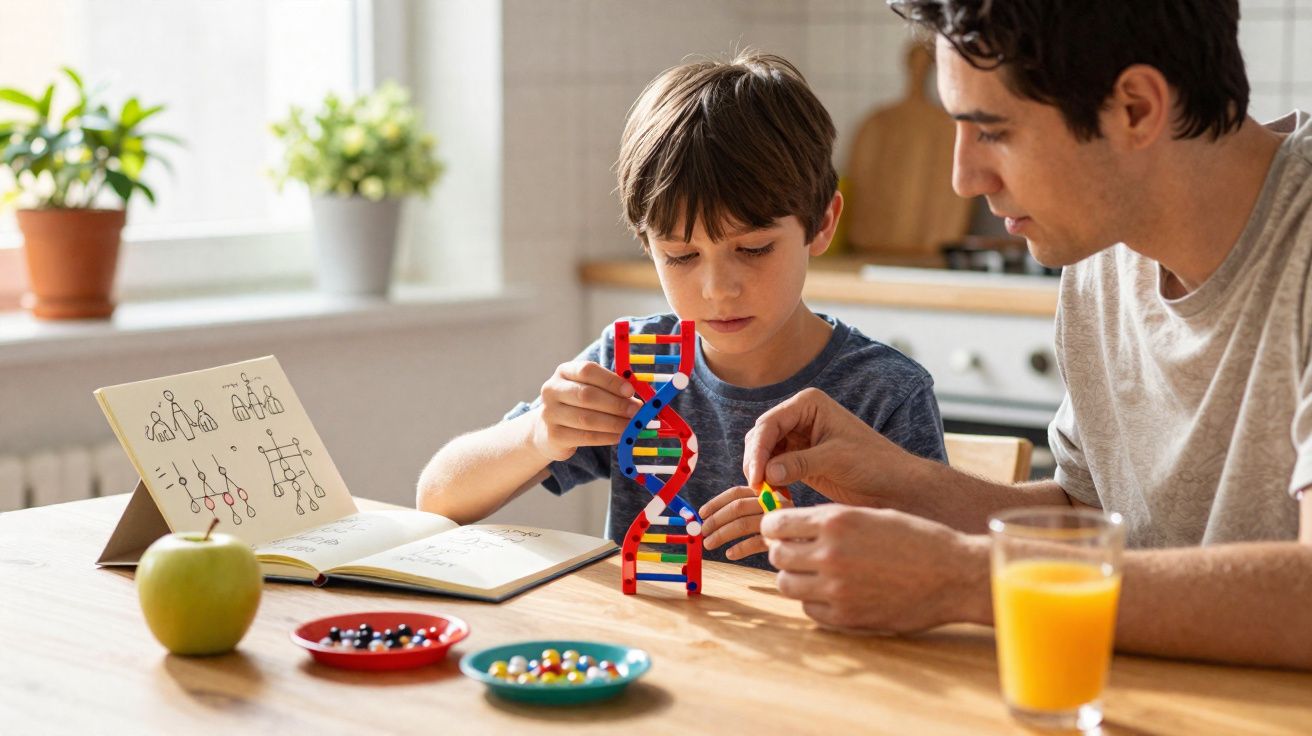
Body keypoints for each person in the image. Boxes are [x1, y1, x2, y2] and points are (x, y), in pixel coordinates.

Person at [744, 0, 1312, 669]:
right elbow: (1086, 516)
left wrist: (966, 578)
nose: (962, 179)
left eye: (993, 131)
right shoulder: (1101, 248)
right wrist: (897, 483)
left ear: (1134, 109)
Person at [417, 51, 947, 570]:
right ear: (647, 246)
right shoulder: (635, 368)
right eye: (682, 256)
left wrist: (807, 538)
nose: (718, 289)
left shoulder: (883, 393)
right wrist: (537, 434)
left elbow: (936, 570)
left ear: (823, 223)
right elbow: (438, 499)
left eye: (754, 249)